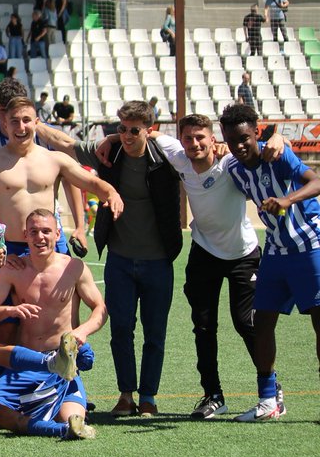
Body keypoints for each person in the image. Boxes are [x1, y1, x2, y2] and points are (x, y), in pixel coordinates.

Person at [92, 114, 281, 419]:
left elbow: (264, 155)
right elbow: (144, 134)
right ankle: (213, 395)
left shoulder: (231, 164)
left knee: (246, 322)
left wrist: (278, 138)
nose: (194, 144)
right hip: (204, 250)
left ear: (213, 140)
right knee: (203, 326)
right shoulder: (177, 155)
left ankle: (272, 390)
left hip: (242, 254)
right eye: (188, 138)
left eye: (200, 138)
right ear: (181, 140)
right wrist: (112, 138)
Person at [56, 100, 182, 416]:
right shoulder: (110, 154)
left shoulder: (166, 158)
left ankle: (149, 397)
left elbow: (203, 152)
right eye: (121, 129)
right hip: (121, 261)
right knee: (120, 330)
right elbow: (66, 143)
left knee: (155, 333)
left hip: (158, 262)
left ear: (149, 131)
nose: (126, 135)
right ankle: (126, 395)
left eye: (134, 130)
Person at [219, 103, 320, 422]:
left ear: (256, 133)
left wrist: (286, 200)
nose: (239, 146)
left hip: (310, 247)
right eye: (232, 140)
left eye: (244, 138)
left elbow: (315, 181)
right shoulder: (234, 169)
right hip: (275, 252)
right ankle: (268, 401)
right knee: (261, 323)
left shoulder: (277, 155)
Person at [0, 209, 105, 440]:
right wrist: (11, 310)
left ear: (58, 234)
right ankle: (53, 429)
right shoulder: (12, 270)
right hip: (25, 364)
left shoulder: (73, 268)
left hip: (62, 363)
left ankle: (66, 423)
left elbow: (100, 309)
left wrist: (80, 332)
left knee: (72, 417)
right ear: (25, 235)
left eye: (46, 231)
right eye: (34, 232)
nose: (40, 237)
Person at [0, 97, 122, 261]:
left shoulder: (55, 160)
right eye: (15, 121)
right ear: (5, 124)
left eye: (26, 120)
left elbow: (92, 183)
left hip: (50, 248)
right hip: (10, 252)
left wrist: (112, 193)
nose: (21, 127)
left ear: (36, 123)